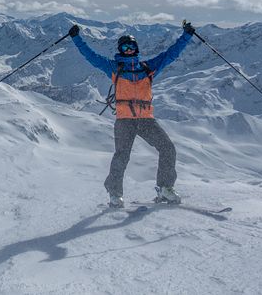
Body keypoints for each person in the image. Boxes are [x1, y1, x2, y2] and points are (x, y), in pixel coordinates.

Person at [68, 22, 195, 208]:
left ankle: (165, 188)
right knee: (122, 156)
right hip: (125, 121)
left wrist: (187, 36)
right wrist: (76, 38)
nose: (128, 50)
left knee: (167, 148)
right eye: (125, 47)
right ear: (120, 50)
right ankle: (115, 193)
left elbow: (171, 55)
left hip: (146, 120)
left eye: (132, 46)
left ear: (136, 49)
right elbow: (91, 57)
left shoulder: (147, 68)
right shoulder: (114, 67)